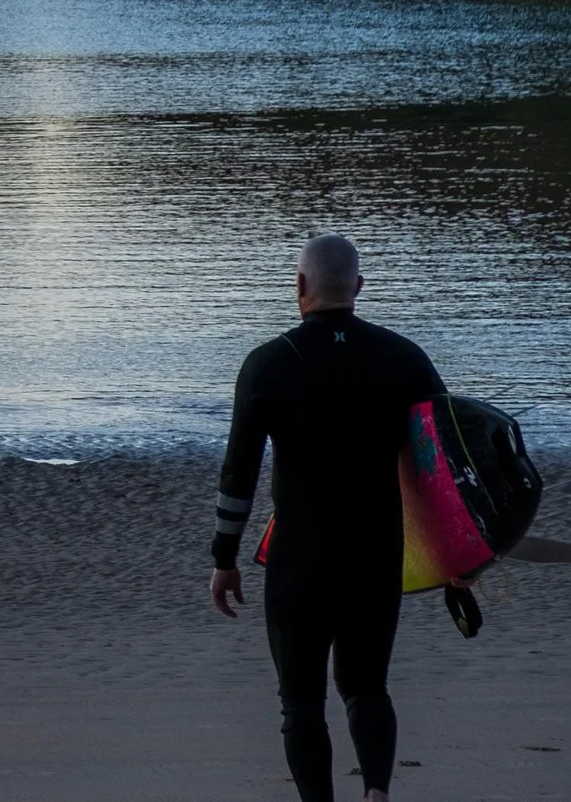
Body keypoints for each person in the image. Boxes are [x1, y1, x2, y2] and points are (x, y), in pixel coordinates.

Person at [211, 233, 444, 802]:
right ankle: (377, 794)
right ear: (359, 288)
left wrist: (225, 558)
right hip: (375, 553)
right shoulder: (405, 358)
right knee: (367, 688)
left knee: (301, 701)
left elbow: (238, 472)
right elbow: (439, 465)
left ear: (299, 287)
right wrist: (455, 555)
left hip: (300, 560)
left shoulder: (267, 364)